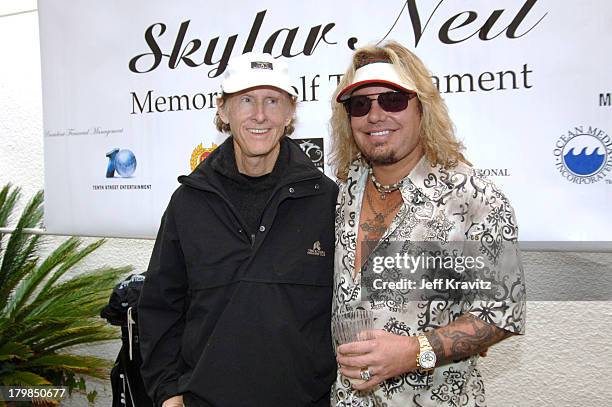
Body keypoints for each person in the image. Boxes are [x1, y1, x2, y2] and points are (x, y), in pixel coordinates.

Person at [329, 41, 526, 406]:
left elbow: (501, 313)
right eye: (360, 104)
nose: (375, 116)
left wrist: (412, 351)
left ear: (422, 108)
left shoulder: (472, 197)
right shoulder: (344, 190)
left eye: (392, 100)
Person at [138, 52, 338, 407]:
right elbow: (159, 308)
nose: (259, 115)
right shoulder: (189, 202)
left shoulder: (326, 200)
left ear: (291, 112)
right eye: (246, 99)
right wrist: (168, 392)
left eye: (272, 101)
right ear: (223, 110)